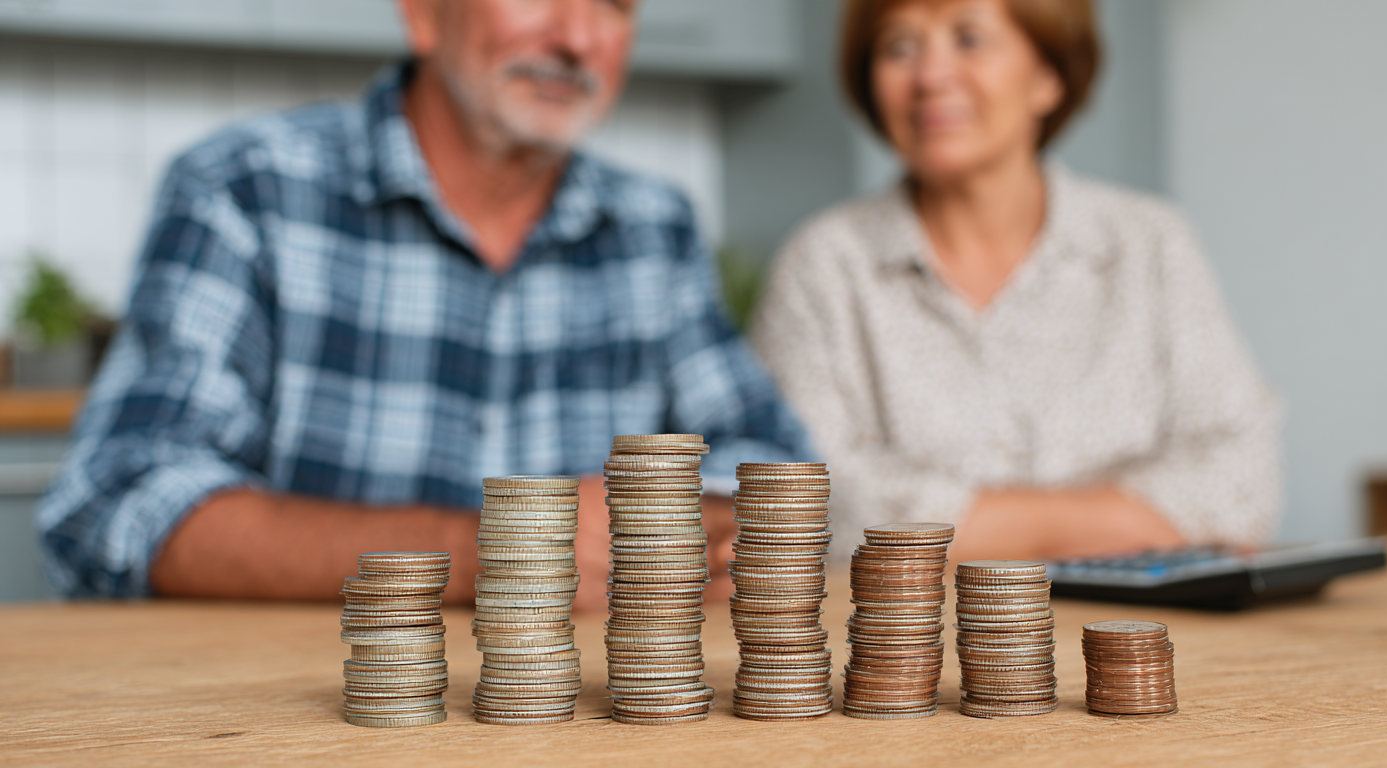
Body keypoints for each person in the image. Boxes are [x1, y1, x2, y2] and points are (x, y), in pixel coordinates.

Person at [35, 0, 812, 610]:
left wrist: (677, 525)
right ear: (422, 12)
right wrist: (498, 551)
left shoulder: (654, 227)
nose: (577, 36)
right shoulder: (245, 190)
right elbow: (118, 504)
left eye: (613, 1)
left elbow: (772, 459)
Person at [750, 0, 1281, 564]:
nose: (930, 76)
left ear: (1048, 78)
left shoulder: (1152, 244)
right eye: (899, 47)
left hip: (1151, 640)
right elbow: (800, 513)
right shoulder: (823, 265)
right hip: (922, 649)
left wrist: (957, 527)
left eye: (970, 38)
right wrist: (1124, 522)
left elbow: (1243, 483)